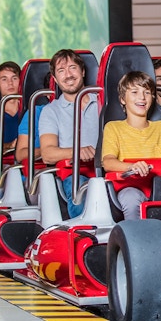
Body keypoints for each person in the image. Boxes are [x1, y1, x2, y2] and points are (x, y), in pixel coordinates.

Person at [101, 71, 161, 221]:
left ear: (152, 98)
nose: (142, 97)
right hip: (131, 187)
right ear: (122, 99)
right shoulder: (113, 128)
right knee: (131, 200)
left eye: (147, 92)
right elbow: (108, 162)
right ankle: (134, 235)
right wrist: (131, 167)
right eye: (135, 92)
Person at [39, 50, 99, 218]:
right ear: (55, 78)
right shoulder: (51, 111)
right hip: (75, 174)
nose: (68, 75)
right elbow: (47, 154)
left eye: (73, 68)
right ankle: (83, 231)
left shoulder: (102, 102)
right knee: (80, 190)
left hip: (107, 169)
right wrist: (78, 151)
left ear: (83, 71)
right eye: (61, 70)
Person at [15, 73, 51, 164]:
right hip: (42, 166)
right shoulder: (35, 112)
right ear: (48, 94)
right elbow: (20, 154)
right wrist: (52, 151)